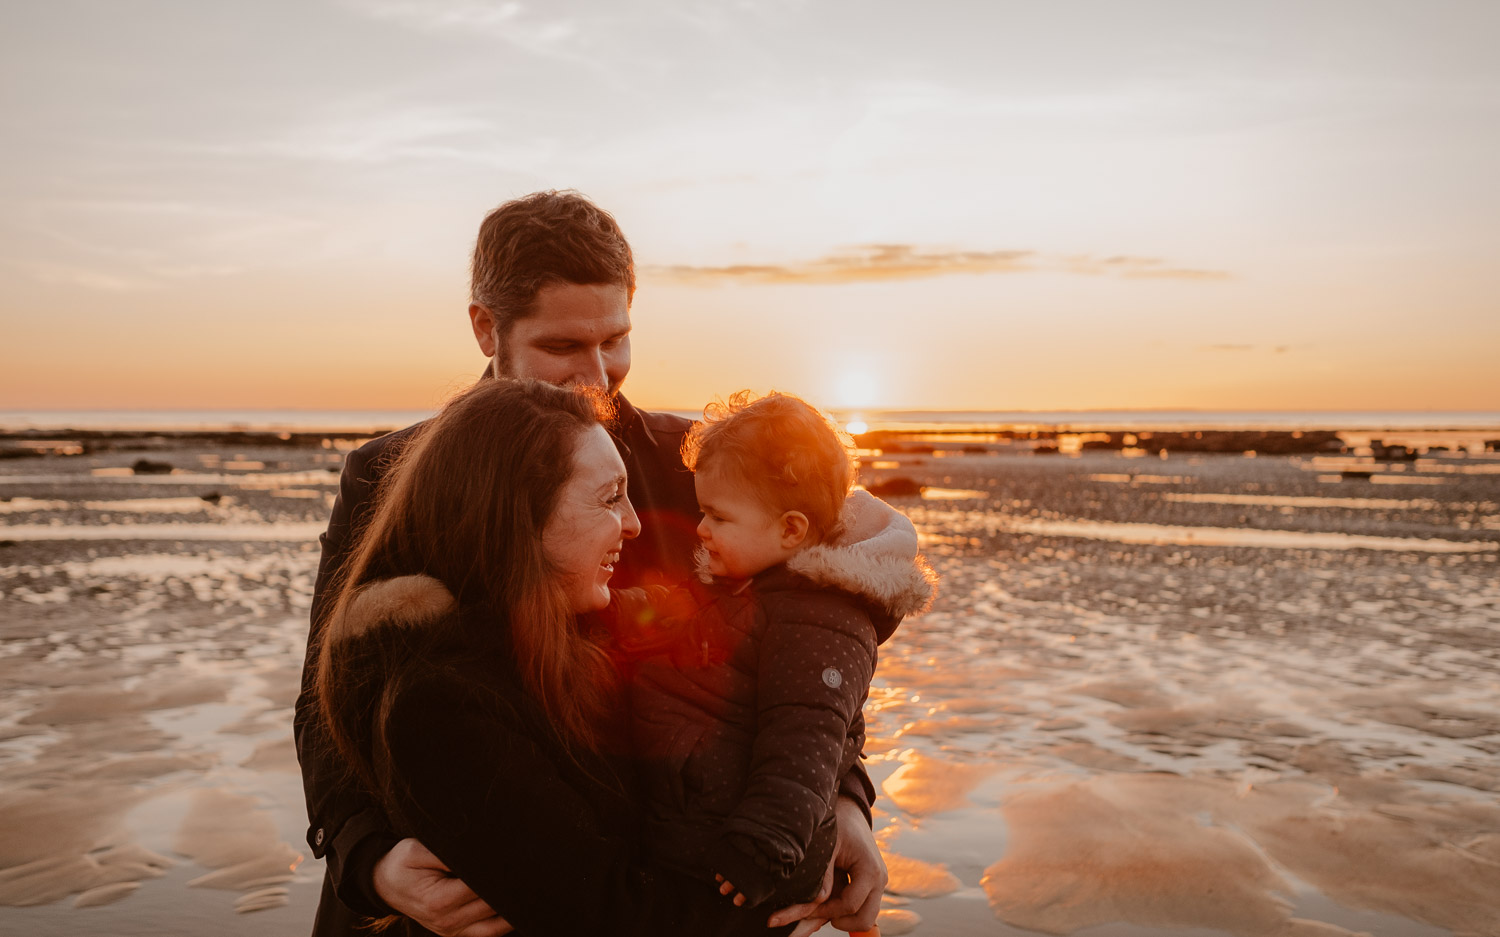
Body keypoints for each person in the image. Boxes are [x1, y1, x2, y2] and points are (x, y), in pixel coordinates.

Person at [293, 191, 886, 937]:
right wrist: (368, 859)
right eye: (564, 347)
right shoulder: (395, 476)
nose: (599, 376)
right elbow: (333, 691)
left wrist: (845, 803)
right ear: (487, 328)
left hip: (653, 877)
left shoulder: (696, 466)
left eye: (617, 339)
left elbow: (808, 639)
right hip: (448, 890)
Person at [316, 377, 798, 936]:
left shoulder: (584, 633)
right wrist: (793, 893)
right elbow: (611, 917)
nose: (635, 523)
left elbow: (783, 671)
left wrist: (836, 803)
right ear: (520, 514)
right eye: (608, 497)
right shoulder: (440, 709)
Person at [606, 392, 936, 911]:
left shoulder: (817, 618)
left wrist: (764, 844)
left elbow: (806, 741)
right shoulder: (749, 581)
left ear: (790, 529)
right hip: (701, 836)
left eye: (716, 516)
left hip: (748, 865)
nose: (701, 529)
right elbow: (672, 611)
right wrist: (607, 609)